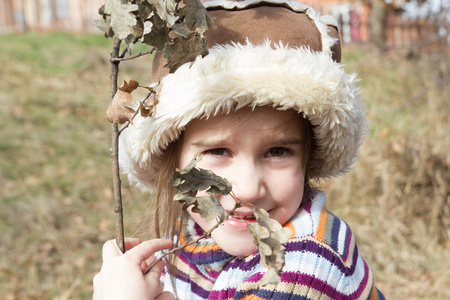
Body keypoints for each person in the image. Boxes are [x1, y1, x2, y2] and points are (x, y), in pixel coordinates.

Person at [93, 0, 385, 299]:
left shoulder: (301, 269)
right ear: (172, 157)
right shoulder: (193, 231)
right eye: (218, 151)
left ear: (307, 159)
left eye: (278, 151)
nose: (245, 190)